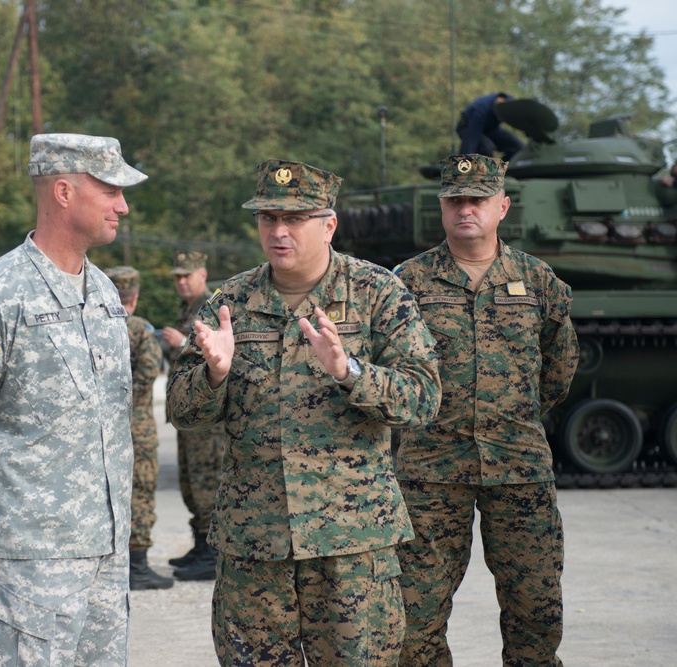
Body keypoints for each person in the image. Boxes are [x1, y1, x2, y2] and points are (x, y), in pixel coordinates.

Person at [168, 159, 441, 665]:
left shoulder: (376, 292)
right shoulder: (230, 302)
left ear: (329, 225)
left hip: (352, 544)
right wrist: (214, 376)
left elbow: (423, 398)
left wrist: (350, 372)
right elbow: (182, 412)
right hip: (254, 546)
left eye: (294, 218)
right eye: (268, 218)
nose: (279, 230)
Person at [0, 133, 147, 665]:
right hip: (25, 566)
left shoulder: (106, 294)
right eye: (110, 189)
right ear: (64, 192)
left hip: (105, 559)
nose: (123, 204)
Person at [393, 154, 579, 667]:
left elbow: (560, 366)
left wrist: (511, 415)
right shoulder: (405, 282)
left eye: (477, 199)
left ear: (502, 206)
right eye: (455, 200)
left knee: (536, 611)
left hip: (518, 467)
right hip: (429, 470)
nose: (465, 209)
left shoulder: (537, 281)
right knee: (414, 615)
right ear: (442, 207)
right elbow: (387, 367)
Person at [104, 266, 174, 591]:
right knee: (141, 491)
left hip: (98, 428)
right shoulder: (139, 329)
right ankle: (138, 566)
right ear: (134, 296)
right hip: (136, 427)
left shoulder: (92, 324)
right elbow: (151, 371)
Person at [161, 250, 228, 581]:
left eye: (187, 275)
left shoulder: (210, 307)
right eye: (177, 277)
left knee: (206, 482)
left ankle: (211, 551)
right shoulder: (186, 309)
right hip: (187, 413)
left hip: (206, 416)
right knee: (190, 482)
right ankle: (201, 545)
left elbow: (213, 352)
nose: (182, 281)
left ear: (202, 275)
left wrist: (181, 342)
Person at [456, 92, 523, 161]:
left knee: (518, 147)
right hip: (468, 126)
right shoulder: (480, 110)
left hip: (490, 128)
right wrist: (464, 162)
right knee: (486, 148)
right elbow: (470, 141)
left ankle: (502, 169)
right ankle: (485, 170)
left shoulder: (509, 103)